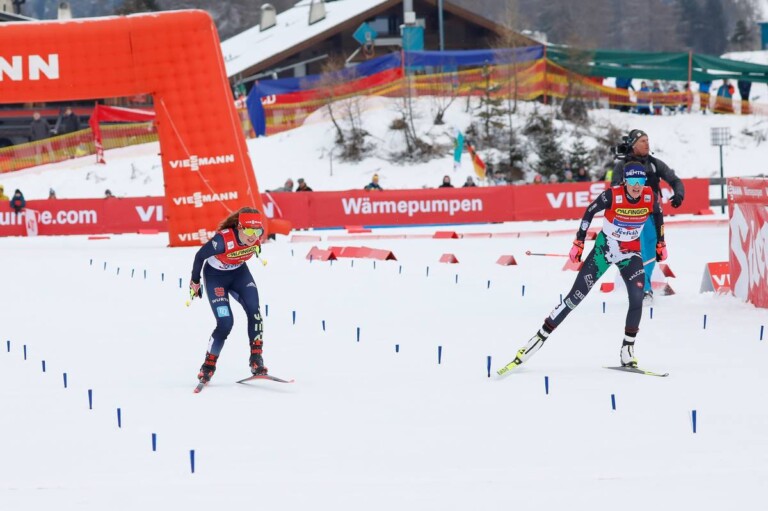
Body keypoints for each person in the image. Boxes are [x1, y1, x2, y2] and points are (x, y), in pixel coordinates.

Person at [499, 161, 667, 375]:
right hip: (603, 252)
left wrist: (661, 242)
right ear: (625, 181)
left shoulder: (648, 196)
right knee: (574, 298)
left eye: (640, 181)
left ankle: (627, 350)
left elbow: (659, 216)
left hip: (630, 254)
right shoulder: (612, 195)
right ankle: (535, 340)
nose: (637, 185)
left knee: (637, 298)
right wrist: (579, 242)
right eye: (633, 181)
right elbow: (589, 212)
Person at [189, 208, 268, 386]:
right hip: (216, 278)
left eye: (257, 231)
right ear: (239, 227)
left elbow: (250, 247)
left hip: (240, 275)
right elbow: (199, 256)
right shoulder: (222, 240)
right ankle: (208, 366)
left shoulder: (255, 239)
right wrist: (195, 281)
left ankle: (256, 360)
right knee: (225, 323)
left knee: (254, 311)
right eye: (248, 230)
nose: (253, 236)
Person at [610, 129, 684, 304]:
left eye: (648, 140)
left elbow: (675, 180)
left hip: (653, 215)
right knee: (638, 252)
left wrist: (679, 194)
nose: (647, 144)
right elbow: (613, 190)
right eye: (643, 141)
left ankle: (644, 287)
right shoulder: (622, 166)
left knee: (652, 252)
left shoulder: (654, 164)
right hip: (631, 217)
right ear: (633, 145)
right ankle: (643, 288)